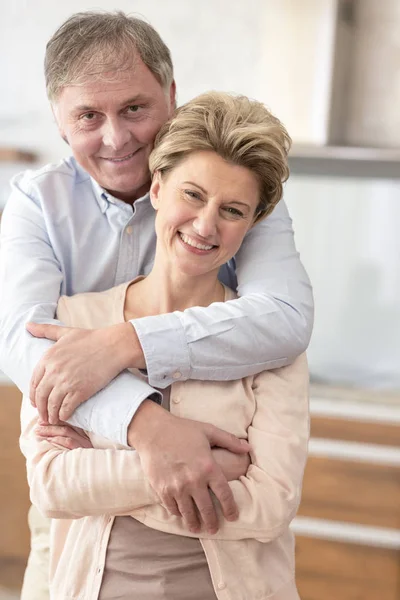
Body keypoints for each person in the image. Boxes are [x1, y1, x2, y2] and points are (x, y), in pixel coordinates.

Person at [0, 10, 312, 599]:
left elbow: (286, 320)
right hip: (74, 541)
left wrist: (125, 344)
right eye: (89, 115)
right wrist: (153, 432)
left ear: (170, 95)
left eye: (135, 109)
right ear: (60, 121)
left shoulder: (240, 188)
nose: (116, 138)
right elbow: (30, 350)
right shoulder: (37, 206)